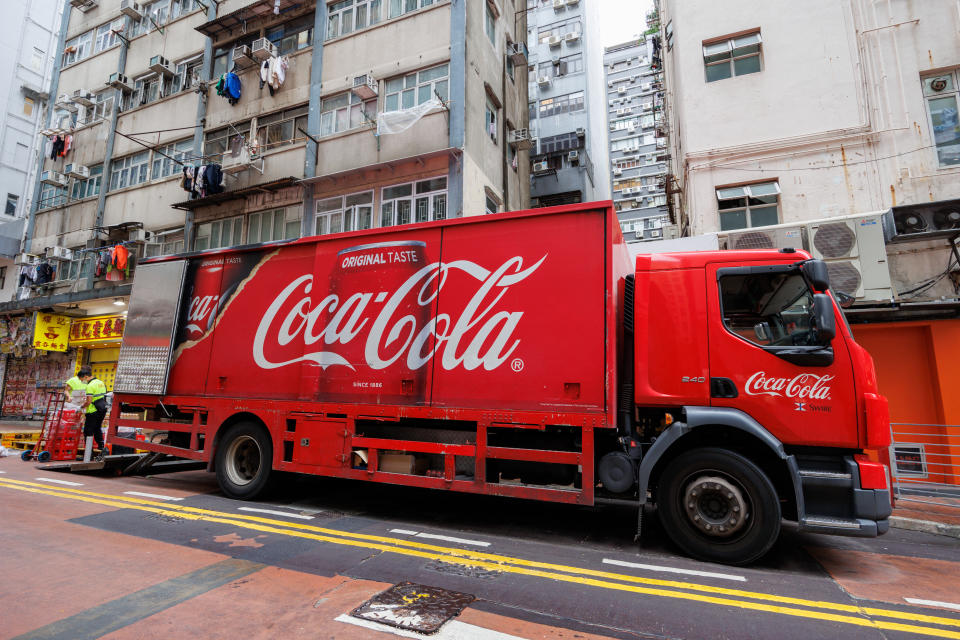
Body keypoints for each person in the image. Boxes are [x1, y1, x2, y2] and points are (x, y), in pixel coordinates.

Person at [84, 373, 109, 453]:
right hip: (102, 409)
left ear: (86, 376)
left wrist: (81, 406)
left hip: (92, 411)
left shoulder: (90, 386)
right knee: (97, 428)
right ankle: (101, 447)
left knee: (88, 431)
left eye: (84, 379)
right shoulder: (101, 382)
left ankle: (89, 453)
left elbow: (88, 401)